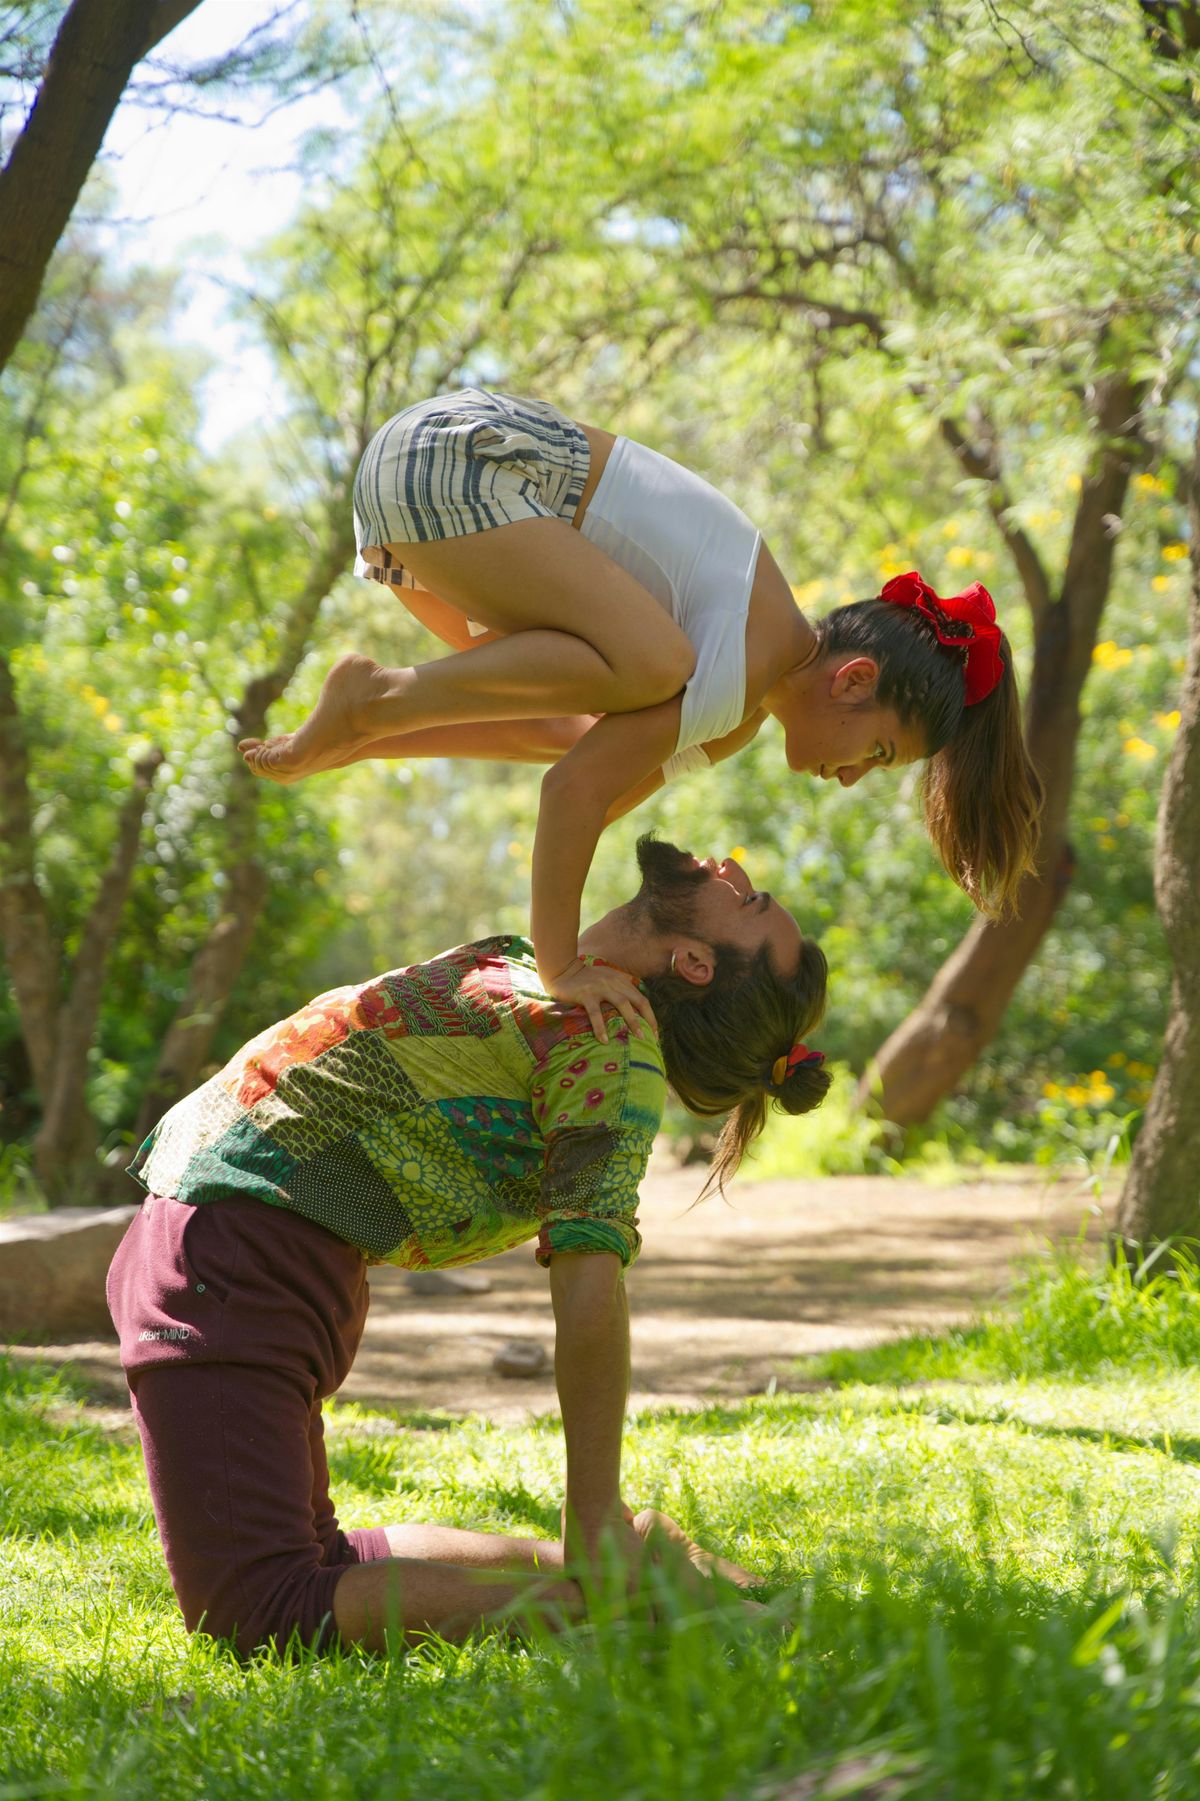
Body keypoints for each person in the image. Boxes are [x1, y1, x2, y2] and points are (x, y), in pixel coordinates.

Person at [106, 837, 831, 1656]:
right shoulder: (568, 972)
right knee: (317, 1561)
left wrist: (593, 1503)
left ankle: (639, 1598)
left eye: (753, 900)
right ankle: (639, 1567)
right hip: (246, 1238)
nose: (732, 870)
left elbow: (591, 1280)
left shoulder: (610, 1047)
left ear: (694, 960)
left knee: (262, 1607)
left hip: (241, 1250)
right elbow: (583, 778)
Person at [238, 389, 1044, 1037]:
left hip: (422, 500)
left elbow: (583, 770)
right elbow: (573, 796)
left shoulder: (733, 717)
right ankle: (376, 697)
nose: (852, 778)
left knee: (585, 718)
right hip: (457, 464)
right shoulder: (739, 661)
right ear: (853, 680)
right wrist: (559, 968)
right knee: (655, 663)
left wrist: (612, 953)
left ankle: (371, 727)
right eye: (878, 751)